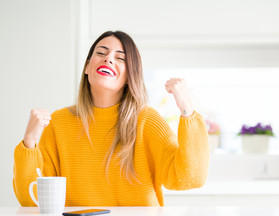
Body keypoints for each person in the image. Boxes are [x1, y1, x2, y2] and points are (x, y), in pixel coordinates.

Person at [13, 30, 209, 206]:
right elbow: (31, 200)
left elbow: (190, 178)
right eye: (101, 53)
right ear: (87, 66)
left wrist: (187, 109)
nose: (108, 59)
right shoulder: (58, 123)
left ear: (129, 74)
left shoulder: (146, 121)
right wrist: (29, 142)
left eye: (120, 58)